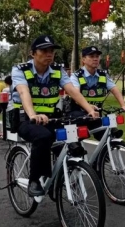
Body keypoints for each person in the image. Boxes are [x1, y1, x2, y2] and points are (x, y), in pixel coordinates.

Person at [12, 35, 99, 197]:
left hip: (52, 118)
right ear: (33, 53)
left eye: (51, 50)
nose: (49, 54)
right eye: (44, 50)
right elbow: (24, 92)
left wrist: (89, 109)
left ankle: (60, 176)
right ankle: (35, 179)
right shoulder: (20, 69)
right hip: (26, 118)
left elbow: (72, 91)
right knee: (43, 137)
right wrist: (33, 115)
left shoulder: (58, 70)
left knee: (75, 130)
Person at [69, 46, 125, 139]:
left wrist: (123, 105)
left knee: (107, 138)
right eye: (92, 56)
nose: (95, 59)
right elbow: (76, 95)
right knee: (76, 147)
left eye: (97, 57)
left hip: (96, 115)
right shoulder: (76, 76)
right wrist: (88, 106)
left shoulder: (103, 74)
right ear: (83, 59)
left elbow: (114, 89)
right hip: (79, 116)